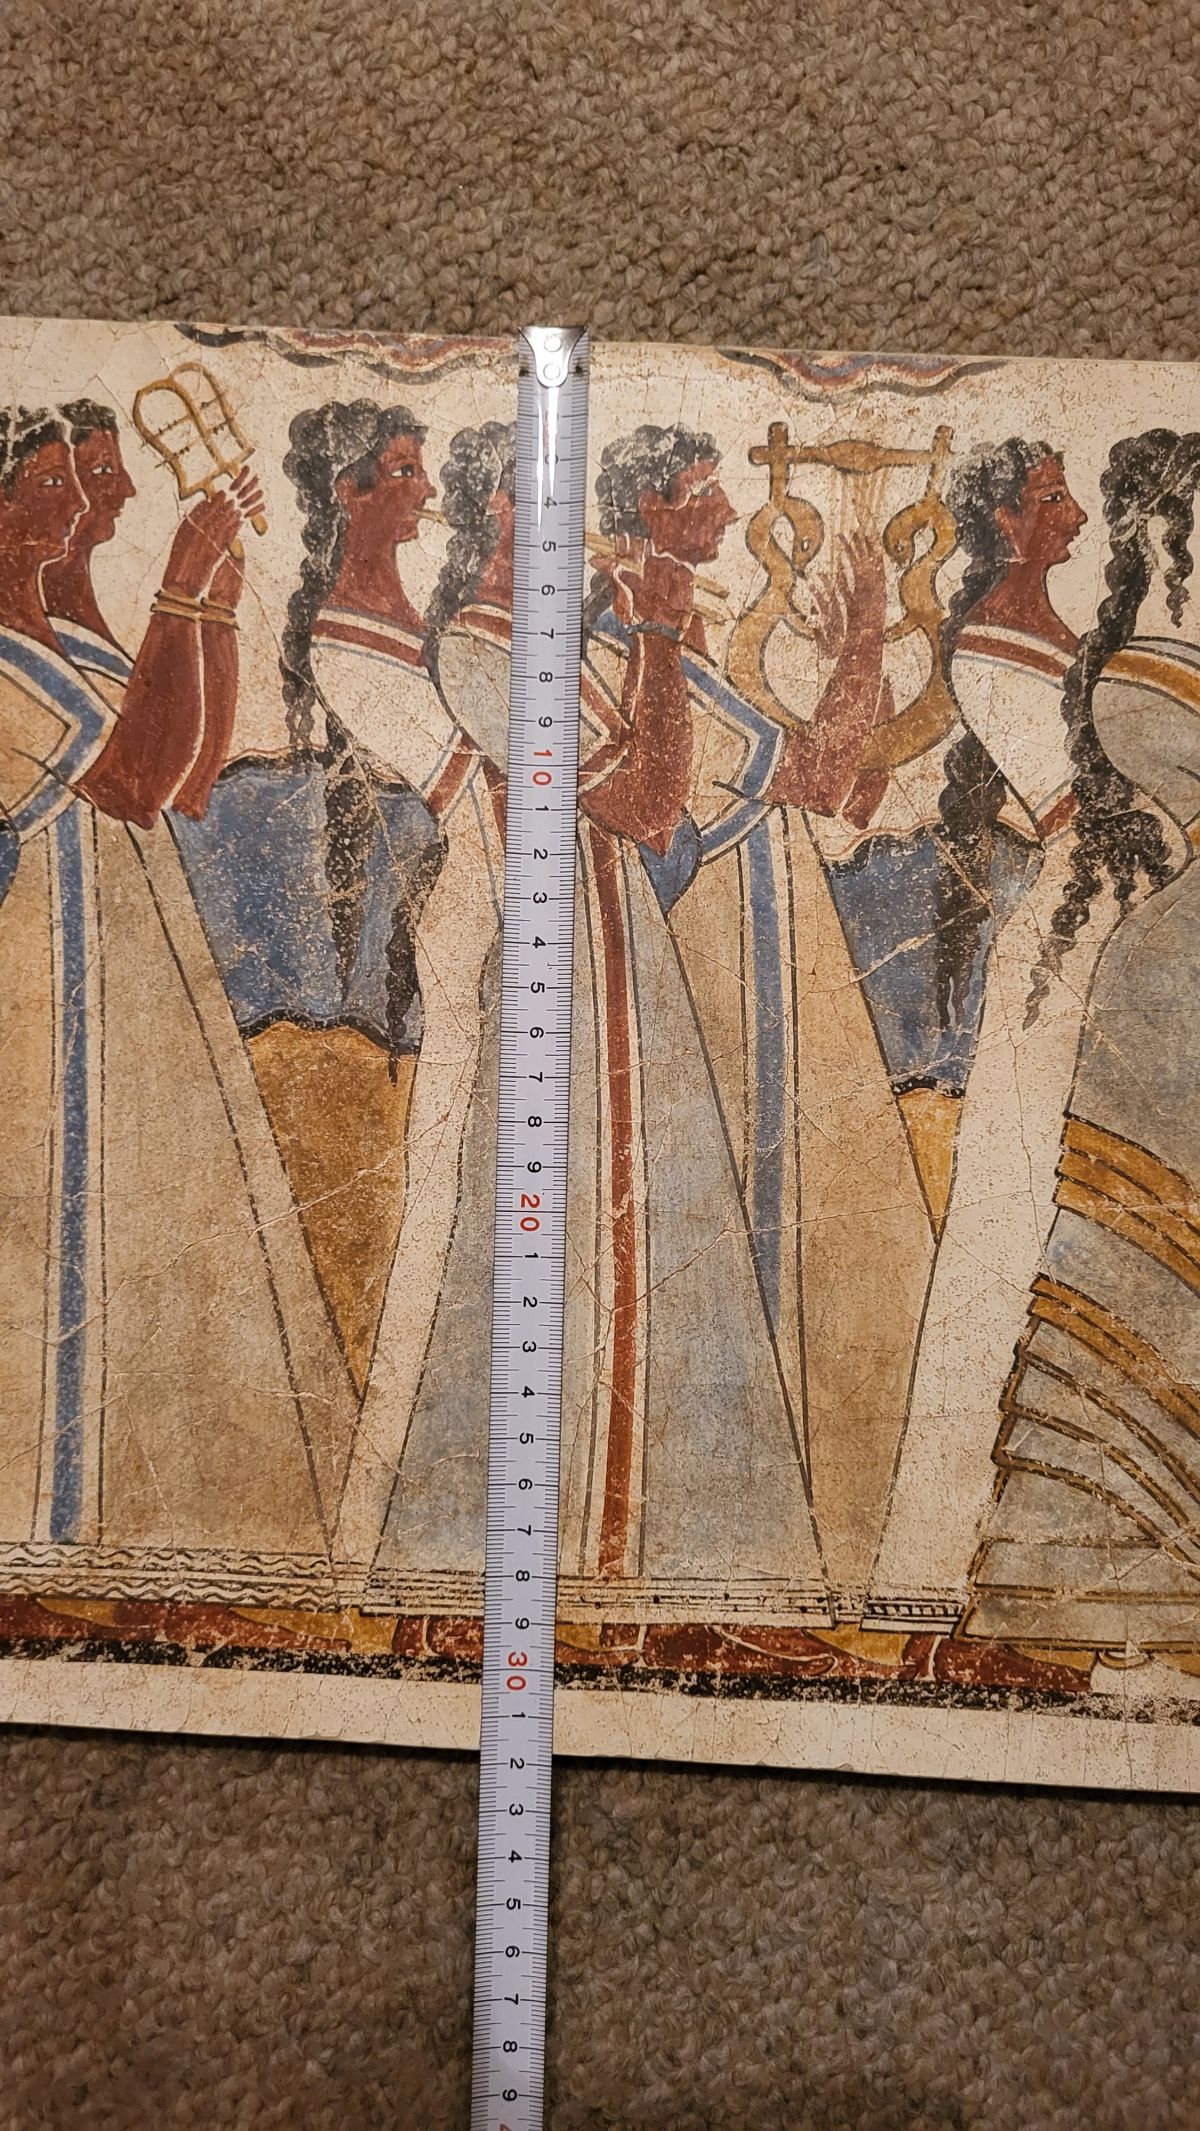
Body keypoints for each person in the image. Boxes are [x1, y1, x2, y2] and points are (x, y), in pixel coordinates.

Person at [0, 404, 359, 1596]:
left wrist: (210, 596)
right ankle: (42, 1539)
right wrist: (178, 579)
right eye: (59, 478)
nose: (85, 497)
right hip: (44, 968)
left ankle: (123, 1532)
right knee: (55, 1229)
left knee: (148, 1215)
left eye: (84, 474)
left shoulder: (58, 629)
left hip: (125, 949)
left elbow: (191, 774)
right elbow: (135, 775)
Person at [583, 425, 935, 1614]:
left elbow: (850, 776)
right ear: (649, 510)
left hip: (764, 951)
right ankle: (741, 1568)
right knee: (752, 1245)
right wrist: (868, 630)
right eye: (703, 495)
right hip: (726, 968)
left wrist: (858, 656)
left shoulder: (662, 656)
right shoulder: (633, 657)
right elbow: (825, 773)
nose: (728, 515)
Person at [868, 436, 1188, 1634]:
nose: (1072, 514)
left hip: (1105, 936)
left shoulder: (1071, 632)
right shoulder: (992, 640)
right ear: (1005, 518)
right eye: (1051, 496)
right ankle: (945, 1568)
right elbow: (1092, 814)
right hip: (1071, 946)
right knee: (1010, 1236)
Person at [963, 428, 1200, 1656]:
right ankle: (1099, 1580)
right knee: (1103, 1263)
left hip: (1149, 962)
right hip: (1132, 968)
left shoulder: (1133, 641)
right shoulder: (1134, 653)